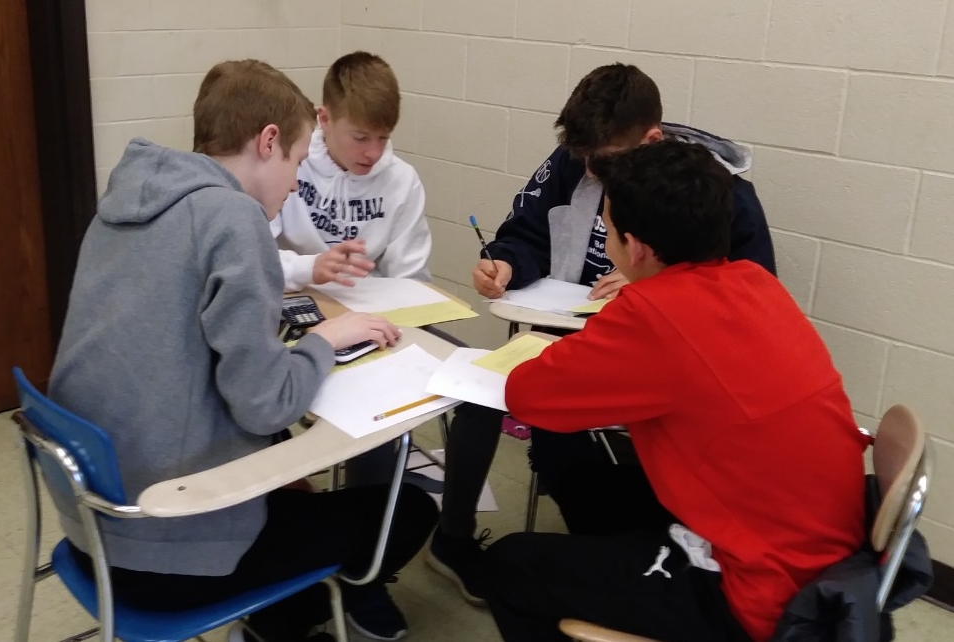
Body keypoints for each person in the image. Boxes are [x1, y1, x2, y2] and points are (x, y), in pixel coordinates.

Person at [48, 60, 437, 642]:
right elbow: (265, 405)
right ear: (268, 141)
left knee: (292, 480)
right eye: (297, 163)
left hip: (92, 522)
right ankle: (277, 624)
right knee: (409, 512)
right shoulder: (234, 217)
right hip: (166, 550)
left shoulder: (127, 199)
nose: (295, 185)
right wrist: (323, 341)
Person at [483, 140, 868, 642]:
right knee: (584, 486)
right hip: (823, 553)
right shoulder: (755, 282)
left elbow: (528, 395)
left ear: (635, 247)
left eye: (607, 227)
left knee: (509, 565)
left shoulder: (651, 314)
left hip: (763, 593)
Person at [427, 63, 776, 604]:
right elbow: (526, 232)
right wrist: (507, 262)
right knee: (498, 400)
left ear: (650, 141)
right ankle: (470, 539)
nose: (592, 172)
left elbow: (746, 303)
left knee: (575, 432)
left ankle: (626, 562)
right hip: (570, 337)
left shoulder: (706, 193)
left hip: (666, 365)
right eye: (584, 159)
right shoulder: (579, 160)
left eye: (606, 162)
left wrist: (652, 288)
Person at [271, 51, 431, 293]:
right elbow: (255, 260)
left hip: (368, 304)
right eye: (360, 138)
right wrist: (309, 268)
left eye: (383, 138)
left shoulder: (403, 180)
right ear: (325, 119)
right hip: (297, 296)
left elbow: (411, 280)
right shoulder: (288, 165)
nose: (373, 153)